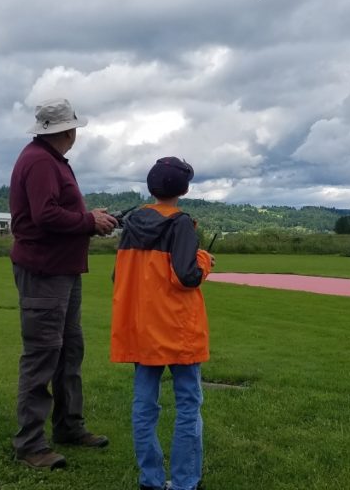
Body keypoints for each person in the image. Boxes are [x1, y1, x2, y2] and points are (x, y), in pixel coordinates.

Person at [9, 98, 119, 469]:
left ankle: (69, 425)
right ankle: (30, 444)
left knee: (69, 350)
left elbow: (57, 212)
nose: (75, 134)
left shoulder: (47, 159)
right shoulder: (40, 161)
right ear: (65, 131)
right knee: (42, 354)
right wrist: (89, 222)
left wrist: (91, 218)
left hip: (62, 270)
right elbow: (44, 215)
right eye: (73, 128)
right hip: (45, 271)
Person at [110, 157, 215, 490]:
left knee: (144, 404)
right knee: (187, 404)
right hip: (178, 329)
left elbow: (118, 276)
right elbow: (187, 276)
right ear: (183, 189)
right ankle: (185, 482)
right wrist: (204, 260)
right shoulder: (180, 223)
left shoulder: (132, 223)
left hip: (142, 329)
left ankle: (151, 480)